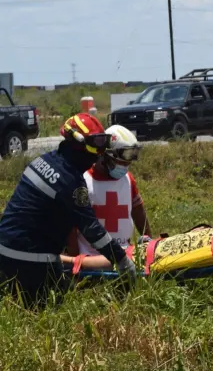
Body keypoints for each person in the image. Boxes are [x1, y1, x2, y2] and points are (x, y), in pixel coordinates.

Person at [0, 114, 136, 309]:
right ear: (78, 144)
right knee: (51, 311)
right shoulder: (70, 181)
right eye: (96, 143)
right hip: (30, 259)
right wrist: (122, 260)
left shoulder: (43, 161)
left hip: (4, 249)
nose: (99, 152)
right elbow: (91, 228)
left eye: (102, 142)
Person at [60, 125, 152, 274]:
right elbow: (72, 228)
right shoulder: (83, 180)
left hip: (124, 255)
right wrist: (76, 260)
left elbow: (138, 210)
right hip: (91, 259)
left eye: (127, 163)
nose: (125, 167)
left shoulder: (128, 179)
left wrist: (149, 240)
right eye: (121, 162)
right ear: (104, 156)